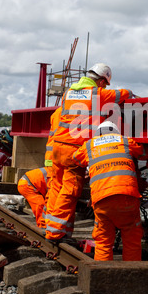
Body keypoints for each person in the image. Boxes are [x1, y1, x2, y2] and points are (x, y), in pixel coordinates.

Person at [45, 63, 134, 243]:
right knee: (70, 191)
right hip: (73, 149)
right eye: (105, 84)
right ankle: (54, 233)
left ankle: (54, 228)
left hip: (58, 146)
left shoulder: (68, 93)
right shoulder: (98, 94)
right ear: (101, 81)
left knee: (57, 186)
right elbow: (125, 93)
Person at [71, 121, 148, 261]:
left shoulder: (89, 145)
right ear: (116, 132)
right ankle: (132, 272)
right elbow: (145, 152)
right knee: (132, 240)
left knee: (103, 242)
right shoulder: (125, 141)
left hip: (102, 201)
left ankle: (102, 273)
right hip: (127, 198)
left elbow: (75, 158)